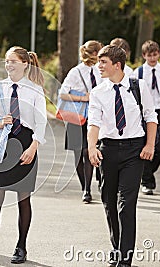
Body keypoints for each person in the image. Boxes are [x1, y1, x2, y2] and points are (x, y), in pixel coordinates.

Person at [87, 45, 157, 267]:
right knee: (109, 203)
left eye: (103, 62)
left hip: (133, 152)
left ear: (117, 65)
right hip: (107, 150)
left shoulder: (139, 86)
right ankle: (116, 248)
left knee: (126, 205)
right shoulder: (98, 92)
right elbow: (94, 123)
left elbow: (151, 117)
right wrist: (91, 147)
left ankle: (125, 259)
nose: (99, 66)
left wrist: (150, 145)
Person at [0, 46, 47, 266]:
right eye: (6, 61)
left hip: (27, 145)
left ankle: (21, 247)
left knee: (23, 199)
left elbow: (41, 122)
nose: (8, 65)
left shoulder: (35, 90)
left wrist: (33, 148)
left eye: (13, 62)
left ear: (25, 64)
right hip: (3, 146)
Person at [59, 40, 103, 203]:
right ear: (93, 54)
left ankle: (87, 189)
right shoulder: (76, 72)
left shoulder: (101, 71)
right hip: (76, 116)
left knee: (88, 151)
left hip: (94, 116)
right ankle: (85, 186)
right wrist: (83, 98)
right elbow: (63, 94)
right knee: (78, 153)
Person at [133, 40, 160, 195]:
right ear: (144, 55)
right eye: (149, 55)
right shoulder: (138, 73)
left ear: (159, 54)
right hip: (143, 113)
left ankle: (147, 172)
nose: (152, 58)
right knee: (144, 145)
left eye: (155, 54)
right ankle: (147, 181)